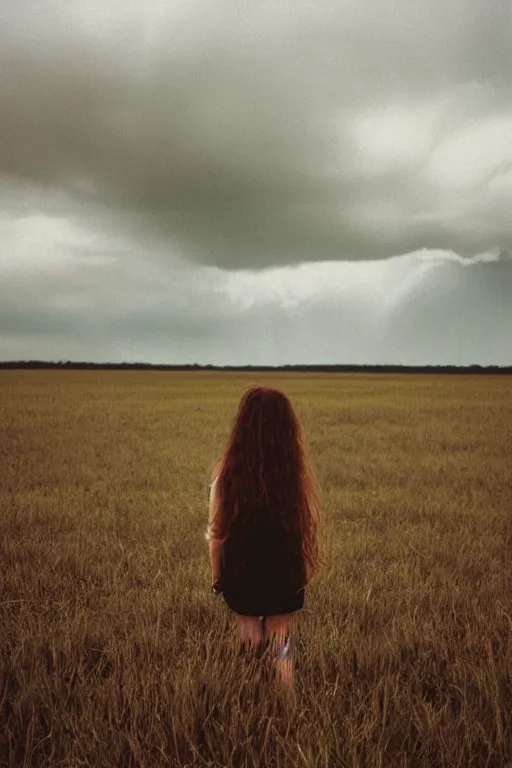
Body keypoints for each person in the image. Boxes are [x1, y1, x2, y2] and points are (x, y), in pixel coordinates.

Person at [205, 385, 321, 694]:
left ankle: (248, 698)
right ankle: (287, 699)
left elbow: (216, 536)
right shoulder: (292, 476)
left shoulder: (226, 477)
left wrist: (217, 575)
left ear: (241, 427)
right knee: (281, 637)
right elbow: (302, 527)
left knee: (248, 634)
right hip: (284, 572)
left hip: (241, 573)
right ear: (286, 431)